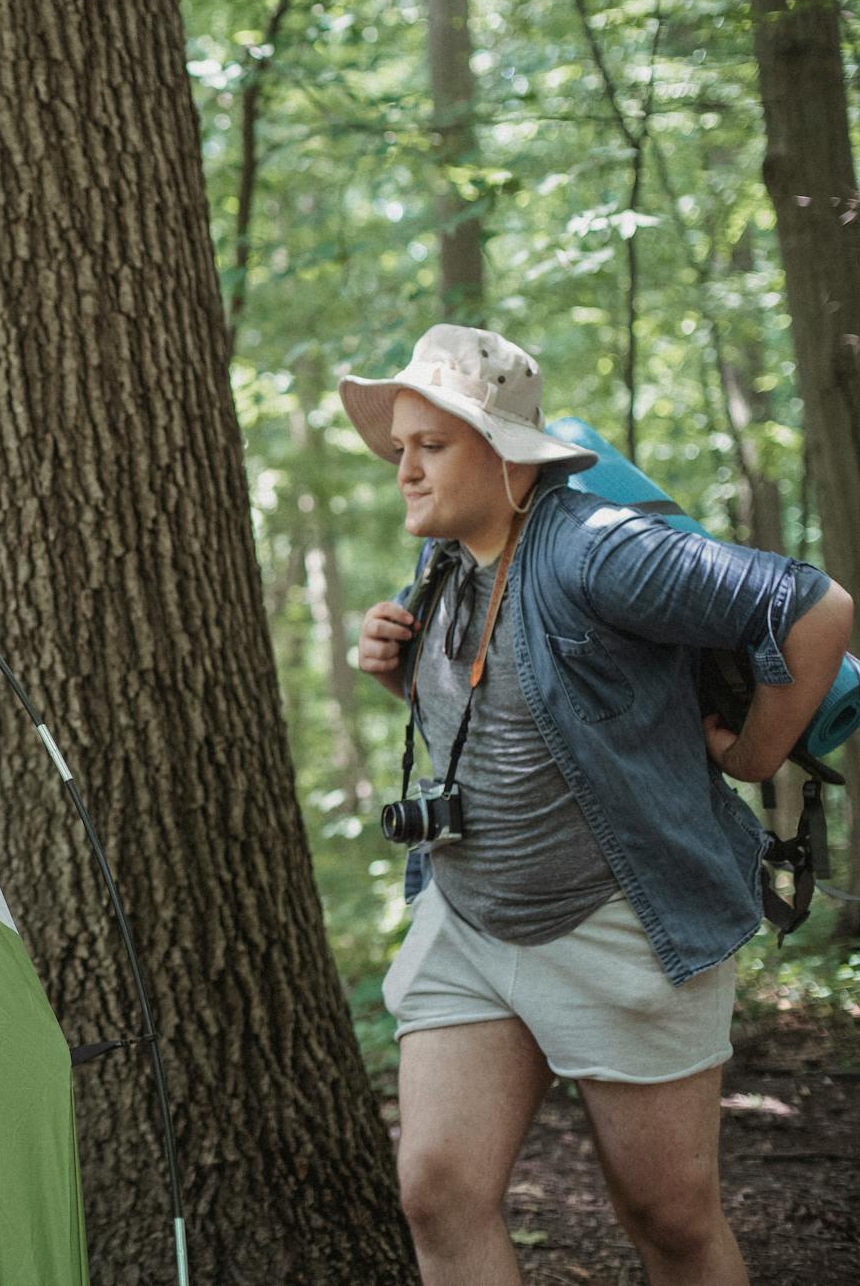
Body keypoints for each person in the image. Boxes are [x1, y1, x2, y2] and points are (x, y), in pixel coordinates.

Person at [344, 324, 853, 1286]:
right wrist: (397, 670)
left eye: (432, 446)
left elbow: (814, 606)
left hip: (619, 922)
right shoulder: (446, 561)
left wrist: (753, 753)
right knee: (439, 1192)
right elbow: (506, 712)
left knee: (666, 1217)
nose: (404, 469)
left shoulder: (601, 550)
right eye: (400, 447)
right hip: (471, 919)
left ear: (505, 451)